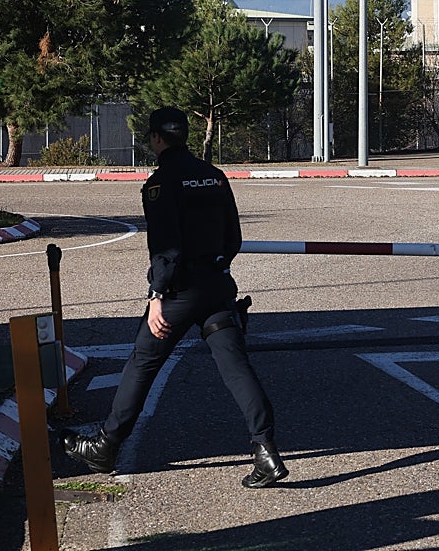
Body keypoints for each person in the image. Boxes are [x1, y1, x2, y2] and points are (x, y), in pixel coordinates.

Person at [62, 107, 288, 489]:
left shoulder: (160, 183)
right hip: (217, 287)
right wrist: (216, 266)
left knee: (142, 363)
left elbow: (165, 247)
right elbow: (234, 239)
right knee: (236, 367)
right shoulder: (215, 178)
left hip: (179, 291)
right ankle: (265, 449)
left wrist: (157, 296)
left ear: (156, 138)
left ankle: (105, 446)